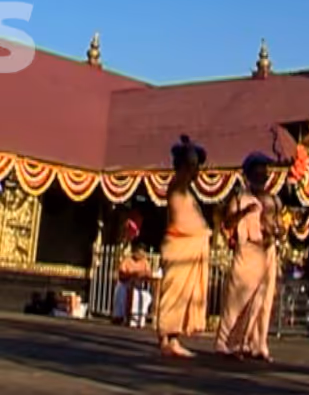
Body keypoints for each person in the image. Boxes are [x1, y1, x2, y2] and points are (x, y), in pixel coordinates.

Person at [215, 152, 280, 361]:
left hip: (268, 250)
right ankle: (224, 342)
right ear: (250, 175)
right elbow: (228, 224)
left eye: (265, 171)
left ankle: (256, 343)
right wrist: (244, 213)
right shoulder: (240, 198)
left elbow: (276, 222)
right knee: (237, 298)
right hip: (247, 251)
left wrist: (278, 231)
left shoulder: (272, 198)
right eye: (259, 171)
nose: (263, 175)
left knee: (262, 301)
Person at [155, 134, 212, 358]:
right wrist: (189, 151)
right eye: (192, 165)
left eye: (196, 166)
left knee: (182, 295)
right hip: (179, 246)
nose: (195, 171)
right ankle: (166, 338)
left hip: (190, 246)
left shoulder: (189, 192)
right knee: (174, 293)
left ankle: (173, 337)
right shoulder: (176, 185)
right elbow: (184, 174)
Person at [113, 244, 154, 327]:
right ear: (134, 252)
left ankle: (138, 318)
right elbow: (121, 275)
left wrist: (143, 275)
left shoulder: (145, 262)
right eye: (138, 253)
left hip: (138, 286)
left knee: (146, 296)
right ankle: (121, 316)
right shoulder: (127, 261)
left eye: (142, 253)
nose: (140, 255)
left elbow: (149, 274)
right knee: (122, 291)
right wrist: (131, 275)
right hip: (126, 284)